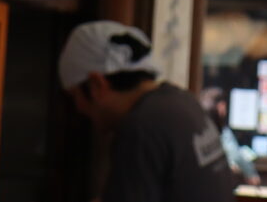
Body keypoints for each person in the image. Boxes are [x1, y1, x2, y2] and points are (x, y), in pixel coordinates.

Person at [58, 20, 236, 202]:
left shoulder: (141, 128)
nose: (78, 108)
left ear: (96, 84)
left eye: (74, 96)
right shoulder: (182, 102)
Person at [200, 87, 261, 185]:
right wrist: (250, 173)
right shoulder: (222, 131)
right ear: (221, 106)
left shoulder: (196, 130)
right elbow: (235, 155)